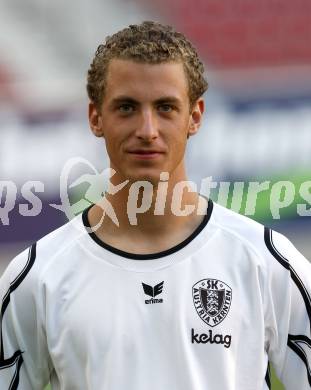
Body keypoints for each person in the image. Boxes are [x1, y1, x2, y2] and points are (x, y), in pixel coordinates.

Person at [0, 21, 310, 390]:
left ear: (194, 116)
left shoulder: (265, 262)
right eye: (127, 107)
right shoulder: (37, 277)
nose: (147, 129)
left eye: (165, 107)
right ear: (95, 117)